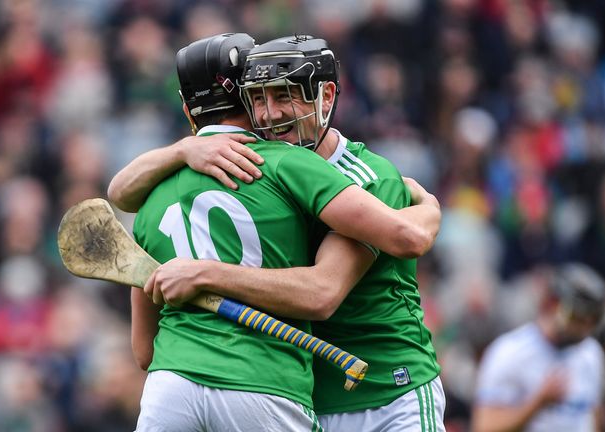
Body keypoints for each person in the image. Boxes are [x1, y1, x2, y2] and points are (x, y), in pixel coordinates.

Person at [114, 35, 446, 431]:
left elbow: (328, 289)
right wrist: (182, 150)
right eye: (258, 99)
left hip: (388, 389)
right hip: (307, 396)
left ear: (325, 98)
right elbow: (119, 191)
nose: (271, 115)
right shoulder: (263, 171)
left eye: (285, 96)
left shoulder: (364, 179)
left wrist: (430, 210)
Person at [471, 263, 605, 432]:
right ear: (552, 304)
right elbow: (483, 427)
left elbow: (592, 416)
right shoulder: (509, 352)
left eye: (590, 320)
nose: (583, 327)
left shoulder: (591, 353)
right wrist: (537, 404)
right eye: (577, 316)